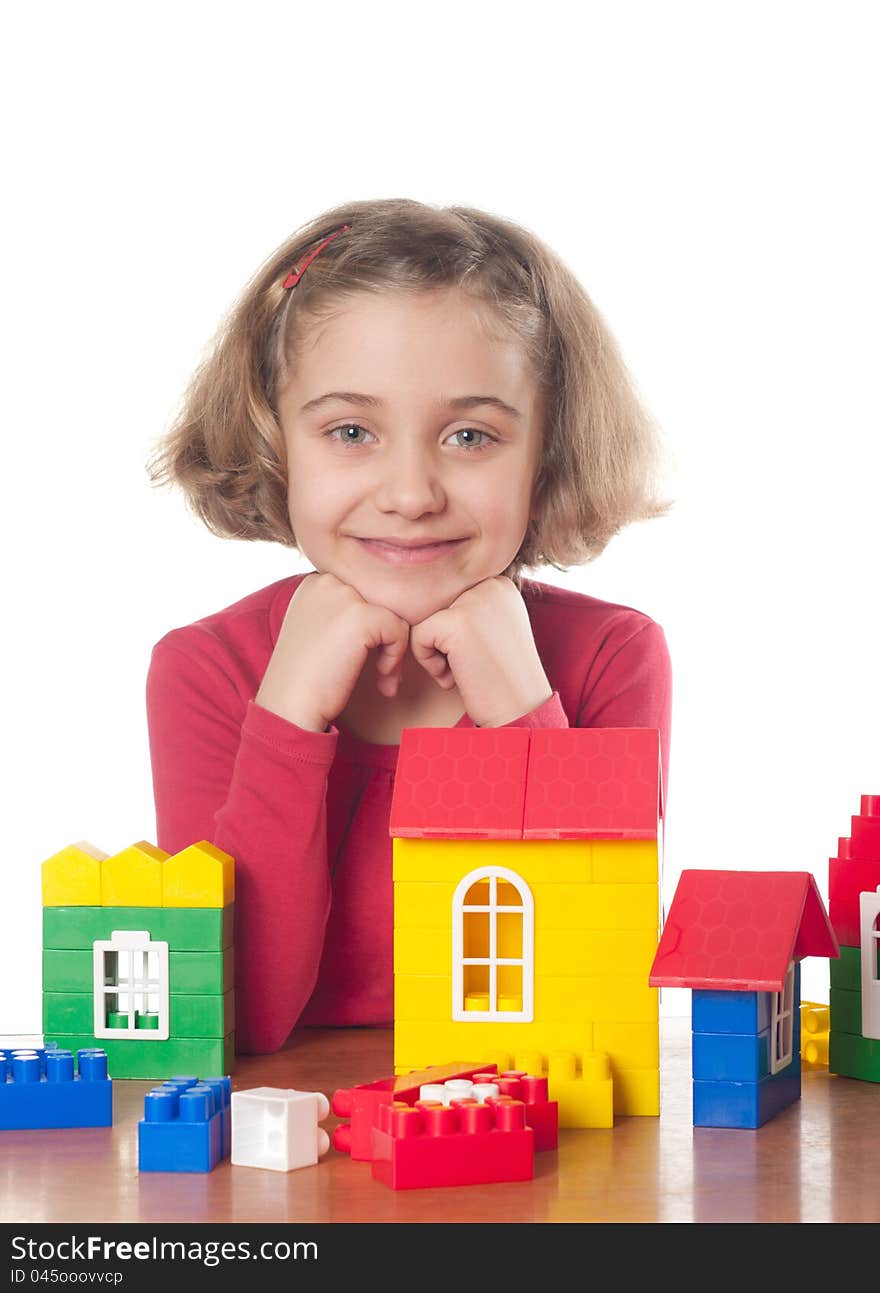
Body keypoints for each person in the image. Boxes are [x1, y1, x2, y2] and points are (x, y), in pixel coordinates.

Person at [145, 198, 673, 1055]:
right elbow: (233, 1020)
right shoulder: (205, 669)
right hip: (280, 1156)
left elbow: (604, 1003)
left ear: (548, 449)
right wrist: (285, 713)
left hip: (529, 1140)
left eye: (470, 435)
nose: (412, 492)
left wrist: (525, 715)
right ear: (276, 439)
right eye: (351, 431)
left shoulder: (609, 656)